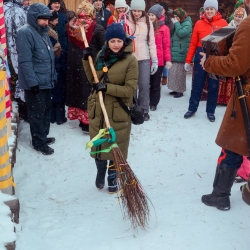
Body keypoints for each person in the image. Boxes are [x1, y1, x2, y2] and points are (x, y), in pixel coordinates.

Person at [200, 0, 250, 209]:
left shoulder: (248, 26)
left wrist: (208, 62)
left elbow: (235, 64)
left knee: (233, 145)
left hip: (246, 97)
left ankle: (220, 195)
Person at [82, 23, 138, 193]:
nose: (115, 44)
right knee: (99, 146)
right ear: (107, 41)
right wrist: (86, 60)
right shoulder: (101, 55)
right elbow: (93, 79)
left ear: (124, 41)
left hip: (117, 111)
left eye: (119, 41)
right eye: (112, 41)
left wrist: (107, 88)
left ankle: (113, 176)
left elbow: (129, 90)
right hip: (98, 109)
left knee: (115, 147)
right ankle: (100, 171)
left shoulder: (131, 61)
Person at [16, 3, 56, 155]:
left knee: (46, 110)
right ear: (34, 18)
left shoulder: (43, 32)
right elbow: (25, 61)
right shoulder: (25, 33)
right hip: (35, 83)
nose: (46, 22)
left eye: (47, 19)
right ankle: (39, 142)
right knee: (37, 113)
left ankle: (43, 136)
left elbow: (48, 57)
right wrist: (32, 83)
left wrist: (53, 77)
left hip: (46, 81)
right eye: (42, 19)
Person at [183, 0, 227, 122]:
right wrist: (188, 60)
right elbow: (192, 43)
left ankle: (210, 111)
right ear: (204, 10)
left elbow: (226, 44)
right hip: (200, 55)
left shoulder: (223, 23)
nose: (209, 11)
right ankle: (192, 108)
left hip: (215, 58)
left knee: (214, 86)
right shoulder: (198, 23)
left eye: (211, 9)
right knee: (197, 85)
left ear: (216, 10)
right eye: (207, 9)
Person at [66, 0, 105, 133]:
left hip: (73, 63)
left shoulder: (70, 26)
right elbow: (103, 47)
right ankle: (89, 122)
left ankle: (80, 119)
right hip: (89, 63)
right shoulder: (96, 27)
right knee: (88, 91)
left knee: (77, 90)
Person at [126, 0, 157, 121]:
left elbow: (152, 42)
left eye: (139, 11)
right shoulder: (127, 21)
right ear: (131, 10)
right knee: (132, 85)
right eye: (135, 10)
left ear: (143, 11)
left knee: (144, 85)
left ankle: (144, 109)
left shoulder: (148, 22)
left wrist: (154, 59)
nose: (137, 13)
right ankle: (133, 108)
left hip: (144, 58)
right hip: (130, 58)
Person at [217, 7, 247, 105]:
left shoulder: (244, 28)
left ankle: (230, 100)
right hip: (227, 54)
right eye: (236, 16)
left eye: (240, 16)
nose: (237, 18)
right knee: (225, 76)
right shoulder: (229, 25)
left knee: (234, 78)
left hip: (237, 56)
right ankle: (221, 98)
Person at [48, 0, 68, 125]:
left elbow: (65, 35)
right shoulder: (49, 32)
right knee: (57, 88)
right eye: (54, 2)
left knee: (56, 88)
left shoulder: (63, 16)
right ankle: (57, 116)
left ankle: (55, 116)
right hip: (55, 60)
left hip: (61, 55)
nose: (57, 5)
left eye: (58, 3)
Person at [148, 4, 171, 111]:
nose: (151, 17)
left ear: (157, 16)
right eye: (149, 14)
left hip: (159, 61)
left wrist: (168, 60)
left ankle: (154, 103)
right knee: (146, 82)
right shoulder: (146, 26)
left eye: (153, 15)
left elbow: (166, 46)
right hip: (147, 59)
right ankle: (146, 100)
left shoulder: (164, 28)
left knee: (155, 83)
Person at [167, 8, 192, 98]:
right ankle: (175, 89)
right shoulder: (180, 23)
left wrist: (176, 24)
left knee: (180, 73)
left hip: (181, 51)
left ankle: (180, 90)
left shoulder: (187, 23)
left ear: (181, 16)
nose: (176, 18)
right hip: (176, 50)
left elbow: (182, 33)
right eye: (175, 16)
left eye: (177, 16)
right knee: (174, 72)